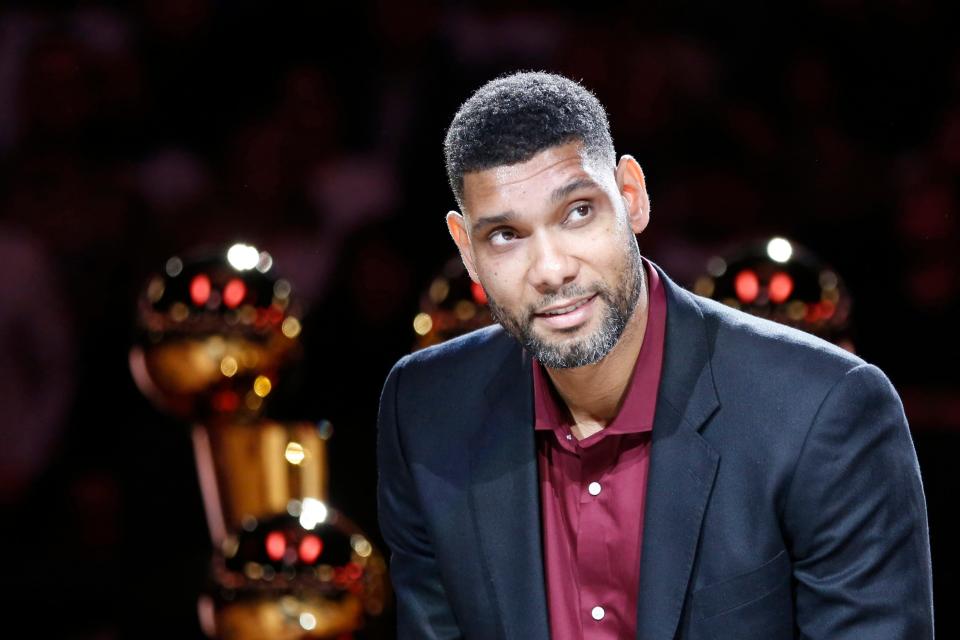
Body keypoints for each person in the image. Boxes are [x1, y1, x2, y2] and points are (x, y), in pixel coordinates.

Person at [376, 71, 933, 640]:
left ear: (631, 197)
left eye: (577, 213)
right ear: (466, 252)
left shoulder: (823, 411)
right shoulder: (426, 408)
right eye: (505, 236)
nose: (550, 270)